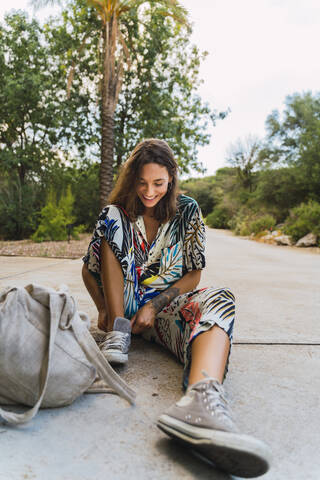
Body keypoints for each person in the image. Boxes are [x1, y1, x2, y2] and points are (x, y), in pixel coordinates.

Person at [82, 138, 271, 478]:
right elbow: (88, 268)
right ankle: (118, 334)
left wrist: (155, 305)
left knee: (219, 297)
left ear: (170, 177)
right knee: (111, 216)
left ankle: (202, 399)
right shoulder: (119, 212)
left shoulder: (188, 211)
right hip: (121, 307)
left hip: (163, 310)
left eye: (157, 182)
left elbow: (194, 275)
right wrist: (106, 311)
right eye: (141, 182)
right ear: (132, 179)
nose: (149, 191)